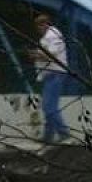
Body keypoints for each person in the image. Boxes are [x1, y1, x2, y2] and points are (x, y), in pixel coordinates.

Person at [29, 14, 70, 144]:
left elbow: (51, 55)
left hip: (55, 73)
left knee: (48, 106)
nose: (39, 29)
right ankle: (49, 136)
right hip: (51, 74)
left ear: (45, 24)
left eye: (40, 26)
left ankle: (63, 132)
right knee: (49, 106)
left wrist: (36, 54)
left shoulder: (53, 35)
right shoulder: (48, 37)